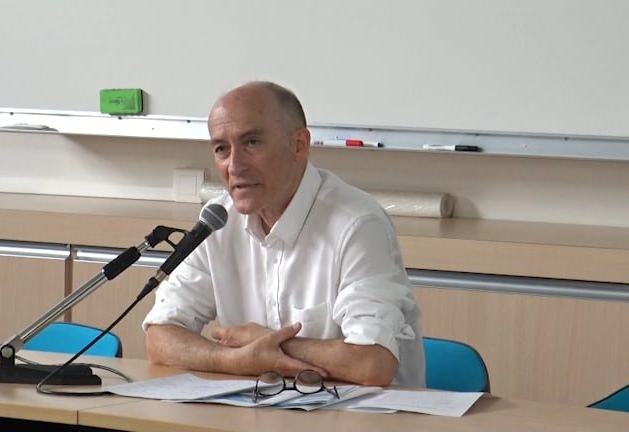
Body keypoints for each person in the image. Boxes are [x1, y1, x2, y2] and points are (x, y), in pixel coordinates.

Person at [143, 81, 425, 387]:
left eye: (252, 143)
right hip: (260, 406)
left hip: (356, 411)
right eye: (222, 149)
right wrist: (235, 360)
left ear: (299, 145)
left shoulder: (357, 225)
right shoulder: (218, 220)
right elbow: (159, 337)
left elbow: (372, 363)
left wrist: (269, 343)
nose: (234, 166)